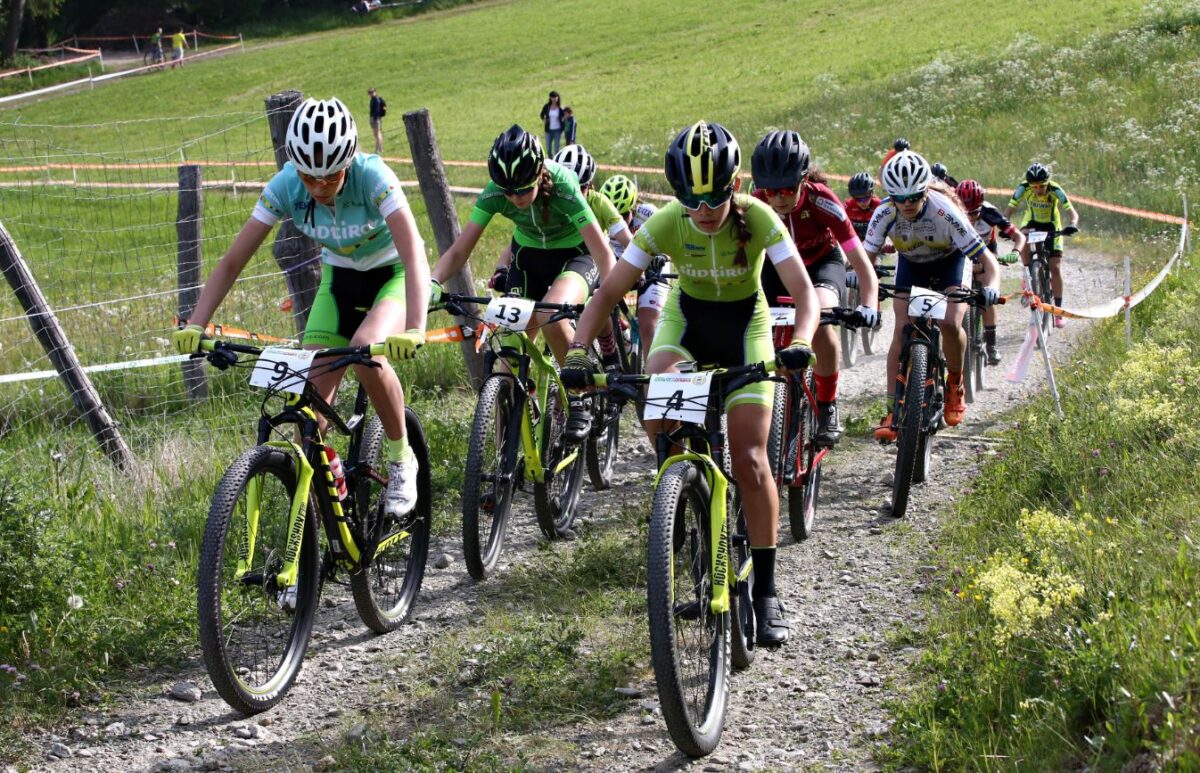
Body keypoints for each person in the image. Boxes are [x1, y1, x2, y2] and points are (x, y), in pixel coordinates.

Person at [560, 121, 820, 646]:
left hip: (745, 329)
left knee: (750, 459)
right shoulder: (667, 223)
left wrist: (802, 341)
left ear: (734, 185)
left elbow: (804, 292)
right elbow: (608, 292)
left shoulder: (759, 216)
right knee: (656, 404)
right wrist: (579, 350)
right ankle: (682, 496)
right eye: (690, 199)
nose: (702, 210)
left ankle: (767, 592)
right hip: (687, 325)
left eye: (714, 198)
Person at [171, 97, 429, 518]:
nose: (319, 187)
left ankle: (402, 458)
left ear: (348, 162)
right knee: (309, 403)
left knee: (365, 350)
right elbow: (233, 260)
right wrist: (197, 323)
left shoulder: (373, 176)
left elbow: (414, 252)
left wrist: (415, 326)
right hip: (339, 281)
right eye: (310, 177)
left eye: (331, 177)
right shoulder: (286, 185)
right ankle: (320, 512)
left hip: (393, 275)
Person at [427, 125, 616, 412]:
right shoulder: (494, 192)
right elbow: (459, 250)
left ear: (539, 173)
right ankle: (510, 431)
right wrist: (433, 281)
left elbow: (601, 250)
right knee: (508, 357)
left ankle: (580, 401)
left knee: (551, 315)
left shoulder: (564, 185)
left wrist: (611, 292)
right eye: (508, 192)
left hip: (576, 256)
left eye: (524, 188)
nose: (516, 198)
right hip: (529, 259)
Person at [750, 130, 879, 446]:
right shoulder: (755, 203)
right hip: (778, 267)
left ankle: (827, 404)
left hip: (822, 263)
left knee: (821, 320)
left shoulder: (823, 200)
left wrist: (869, 304)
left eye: (787, 189)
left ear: (804, 180)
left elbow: (862, 265)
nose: (779, 199)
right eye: (771, 191)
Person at [864, 151, 1001, 441]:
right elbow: (866, 258)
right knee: (902, 328)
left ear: (925, 190)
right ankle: (891, 409)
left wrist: (992, 286)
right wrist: (859, 278)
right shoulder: (884, 212)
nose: (907, 204)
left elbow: (987, 261)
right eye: (899, 198)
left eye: (914, 197)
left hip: (951, 261)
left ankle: (955, 383)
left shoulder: (945, 210)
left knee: (950, 322)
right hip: (912, 264)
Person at [1003, 163, 1080, 328]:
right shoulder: (1023, 188)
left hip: (1052, 225)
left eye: (1042, 186)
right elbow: (1008, 211)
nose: (1038, 190)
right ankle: (1027, 273)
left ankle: (1058, 312)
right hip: (1032, 223)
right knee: (1022, 238)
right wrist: (1005, 226)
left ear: (1047, 183)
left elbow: (1072, 212)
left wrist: (1072, 224)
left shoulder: (1055, 189)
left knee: (1055, 267)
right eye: (1034, 187)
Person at [956, 179, 1024, 365]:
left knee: (988, 290)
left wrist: (1015, 252)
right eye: (966, 213)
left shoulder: (989, 212)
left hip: (986, 255)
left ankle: (991, 345)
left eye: (974, 213)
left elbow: (1019, 236)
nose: (970, 217)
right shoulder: (950, 211)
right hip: (961, 256)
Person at [599, 173, 668, 357]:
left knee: (648, 326)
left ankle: (652, 371)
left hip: (652, 265)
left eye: (624, 215)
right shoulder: (600, 213)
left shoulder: (648, 213)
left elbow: (669, 238)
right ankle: (621, 328)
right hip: (622, 263)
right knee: (598, 301)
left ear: (634, 207)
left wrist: (663, 256)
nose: (619, 220)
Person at [843, 172, 882, 241]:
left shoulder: (879, 206)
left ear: (872, 194)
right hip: (855, 242)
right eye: (858, 199)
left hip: (875, 241)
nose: (862, 202)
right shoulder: (847, 206)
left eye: (866, 198)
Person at [539, 91, 565, 157]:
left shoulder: (560, 108)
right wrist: (544, 119)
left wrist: (563, 121)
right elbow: (542, 115)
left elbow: (564, 116)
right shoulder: (547, 107)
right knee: (548, 148)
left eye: (555, 97)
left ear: (558, 98)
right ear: (550, 98)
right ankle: (550, 159)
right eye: (552, 97)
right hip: (548, 130)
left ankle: (556, 160)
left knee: (556, 148)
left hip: (557, 130)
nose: (554, 99)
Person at [367, 87, 386, 155]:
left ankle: (377, 150)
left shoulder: (376, 100)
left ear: (375, 92)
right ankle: (380, 149)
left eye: (372, 92)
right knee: (378, 134)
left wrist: (375, 118)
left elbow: (377, 110)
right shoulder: (373, 100)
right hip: (375, 118)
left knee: (377, 134)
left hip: (375, 119)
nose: (371, 93)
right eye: (370, 92)